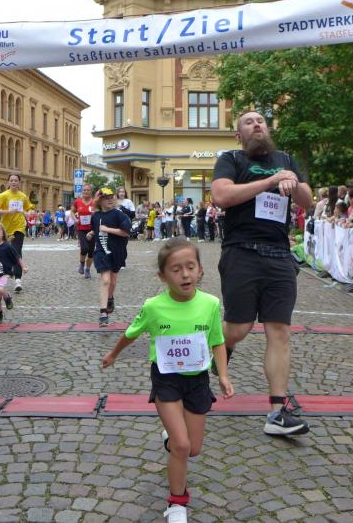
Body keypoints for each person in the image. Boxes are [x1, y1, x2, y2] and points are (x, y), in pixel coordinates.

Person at [102, 237, 234, 523]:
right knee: (182, 446)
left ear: (200, 270)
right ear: (163, 277)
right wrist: (113, 354)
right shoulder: (153, 307)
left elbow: (217, 341)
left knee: (193, 449)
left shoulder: (211, 304)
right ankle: (176, 503)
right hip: (166, 379)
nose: (185, 274)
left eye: (190, 267)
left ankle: (171, 440)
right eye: (176, 269)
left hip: (198, 380)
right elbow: (132, 332)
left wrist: (223, 375)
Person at [210, 110, 313, 436]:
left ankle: (277, 412)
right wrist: (270, 181)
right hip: (241, 251)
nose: (257, 124)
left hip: (279, 255)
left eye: (261, 121)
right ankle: (221, 348)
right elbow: (221, 196)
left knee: (279, 330)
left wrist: (292, 183)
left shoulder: (286, 159)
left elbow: (307, 201)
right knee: (238, 328)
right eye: (248, 122)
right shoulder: (231, 160)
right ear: (238, 134)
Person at [87, 187, 131, 327]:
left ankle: (110, 298)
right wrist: (92, 233)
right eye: (106, 198)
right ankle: (103, 313)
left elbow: (126, 232)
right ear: (99, 201)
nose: (110, 199)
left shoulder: (119, 214)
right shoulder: (95, 216)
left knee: (112, 281)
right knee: (106, 280)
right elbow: (97, 228)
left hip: (117, 251)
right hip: (101, 252)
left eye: (112, 197)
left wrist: (108, 229)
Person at [0, 174, 35, 293]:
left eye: (16, 180)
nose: (14, 182)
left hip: (19, 227)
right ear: (8, 182)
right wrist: (8, 211)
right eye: (11, 180)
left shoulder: (23, 196)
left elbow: (30, 208)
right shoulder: (3, 196)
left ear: (19, 182)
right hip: (5, 228)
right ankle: (7, 271)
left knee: (17, 251)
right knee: (5, 252)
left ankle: (18, 280)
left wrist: (28, 213)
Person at [72, 184, 96, 278]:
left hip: (92, 229)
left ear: (91, 192)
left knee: (91, 251)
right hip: (81, 229)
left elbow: (99, 213)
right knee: (84, 248)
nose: (86, 192)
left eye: (88, 190)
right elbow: (72, 212)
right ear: (82, 191)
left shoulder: (94, 202)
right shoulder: (77, 201)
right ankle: (82, 264)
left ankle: (87, 269)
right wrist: (75, 219)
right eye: (84, 190)